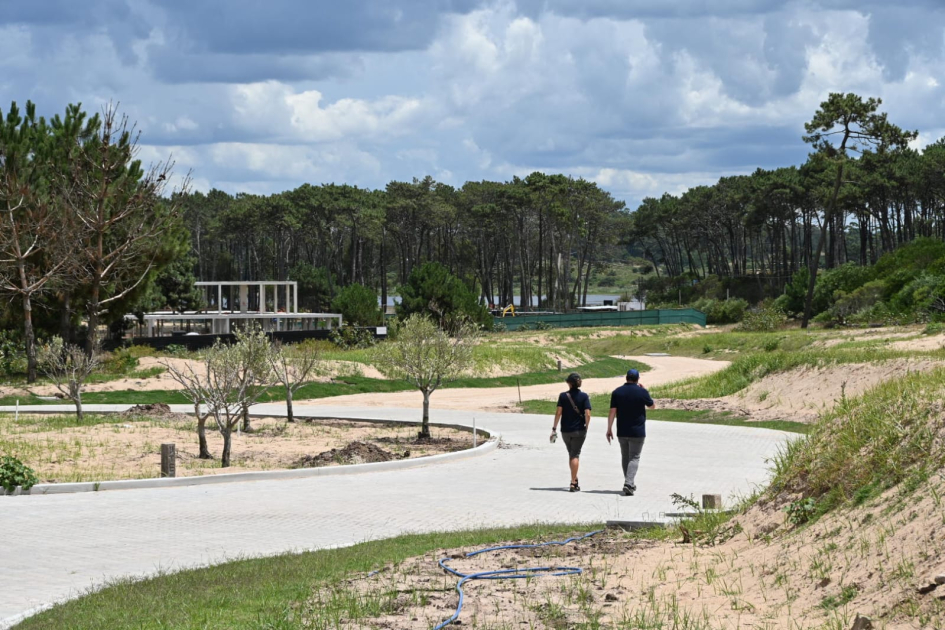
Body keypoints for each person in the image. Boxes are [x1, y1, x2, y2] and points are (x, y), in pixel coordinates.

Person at [606, 368, 655, 496]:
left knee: (625, 457)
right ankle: (628, 483)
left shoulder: (617, 392)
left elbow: (612, 412)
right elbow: (652, 406)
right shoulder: (642, 391)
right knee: (634, 457)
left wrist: (609, 428)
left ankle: (630, 483)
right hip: (637, 431)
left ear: (626, 378)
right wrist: (645, 391)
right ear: (638, 379)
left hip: (622, 430)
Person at [551, 372, 592, 492]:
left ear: (569, 383)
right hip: (579, 430)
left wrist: (554, 428)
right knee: (575, 455)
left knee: (571, 454)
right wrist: (586, 426)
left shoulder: (563, 396)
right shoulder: (584, 396)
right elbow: (588, 414)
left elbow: (558, 412)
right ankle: (573, 483)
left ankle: (575, 478)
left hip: (565, 431)